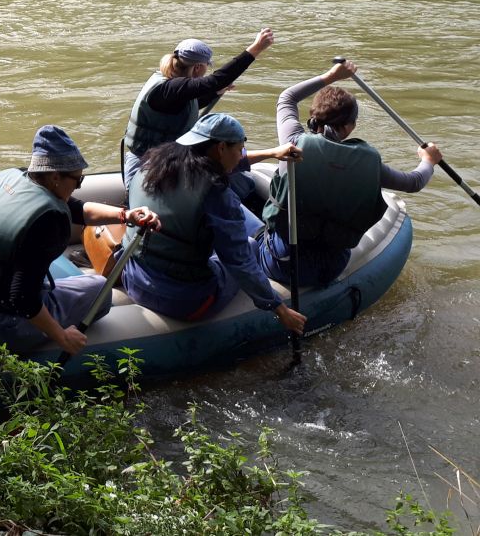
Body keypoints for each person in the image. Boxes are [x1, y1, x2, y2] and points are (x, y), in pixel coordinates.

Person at [0, 126, 161, 354]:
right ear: (54, 177)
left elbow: (76, 208)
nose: (78, 186)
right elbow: (22, 299)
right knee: (98, 290)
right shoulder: (47, 221)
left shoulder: (14, 178)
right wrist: (62, 336)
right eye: (77, 180)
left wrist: (125, 216)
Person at [258, 60, 440, 287]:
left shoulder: (292, 144)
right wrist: (429, 161)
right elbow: (414, 182)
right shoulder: (368, 163)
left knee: (246, 207)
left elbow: (287, 98)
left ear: (314, 116)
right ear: (349, 126)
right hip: (332, 266)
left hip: (282, 263)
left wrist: (330, 76)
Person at [120, 113, 306, 334]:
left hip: (131, 276)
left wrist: (272, 153)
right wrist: (279, 307)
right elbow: (239, 261)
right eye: (239, 150)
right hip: (185, 302)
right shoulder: (216, 194)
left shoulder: (152, 164)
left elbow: (214, 166)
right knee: (251, 246)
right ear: (220, 149)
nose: (240, 156)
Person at [123, 29, 276, 183]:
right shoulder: (171, 87)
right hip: (146, 168)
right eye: (206, 67)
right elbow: (216, 80)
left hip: (161, 161)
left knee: (241, 182)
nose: (206, 71)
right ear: (197, 68)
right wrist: (256, 48)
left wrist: (215, 93)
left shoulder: (170, 85)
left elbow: (184, 105)